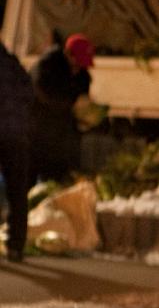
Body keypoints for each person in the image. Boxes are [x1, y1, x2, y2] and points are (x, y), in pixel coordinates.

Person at [30, 34, 94, 186]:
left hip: (60, 134)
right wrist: (71, 104)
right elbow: (44, 93)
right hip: (35, 129)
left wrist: (85, 116)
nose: (79, 68)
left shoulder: (82, 75)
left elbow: (82, 97)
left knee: (58, 175)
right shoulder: (46, 66)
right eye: (77, 63)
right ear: (68, 54)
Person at [0, 41, 34, 262]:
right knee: (17, 192)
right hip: (17, 135)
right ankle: (16, 246)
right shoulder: (13, 64)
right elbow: (29, 93)